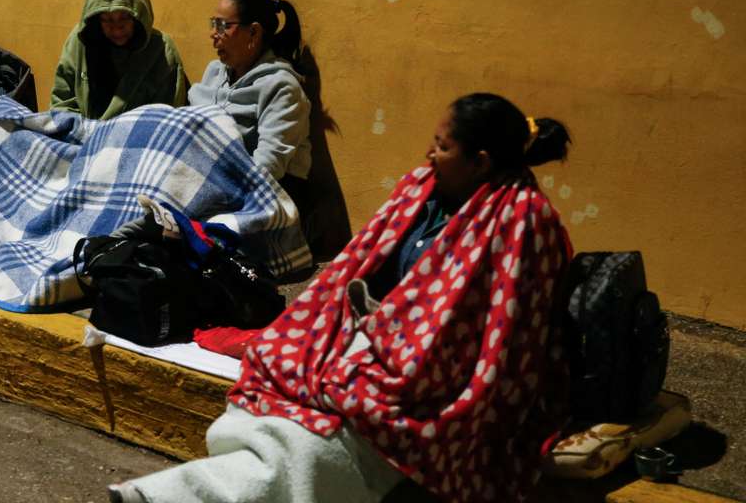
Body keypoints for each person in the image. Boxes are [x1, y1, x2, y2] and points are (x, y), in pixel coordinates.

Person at [111, 93, 574, 503]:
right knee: (267, 385)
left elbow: (495, 339)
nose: (429, 153)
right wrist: (330, 338)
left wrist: (380, 365)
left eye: (444, 146)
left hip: (429, 374)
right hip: (370, 340)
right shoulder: (422, 189)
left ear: (482, 162)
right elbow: (358, 265)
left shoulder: (523, 223)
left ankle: (171, 496)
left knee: (320, 446)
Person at [188, 0, 314, 220]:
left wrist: (212, 197)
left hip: (261, 202)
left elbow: (268, 167)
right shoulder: (215, 73)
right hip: (208, 189)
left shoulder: (281, 87)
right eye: (213, 23)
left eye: (224, 26)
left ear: (254, 33)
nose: (213, 34)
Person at [50, 0, 187, 119]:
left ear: (138, 16)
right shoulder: (80, 42)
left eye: (124, 17)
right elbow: (62, 104)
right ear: (95, 20)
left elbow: (166, 120)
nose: (116, 28)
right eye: (106, 19)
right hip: (82, 138)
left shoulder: (161, 53)